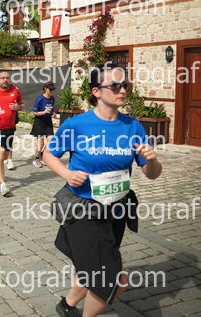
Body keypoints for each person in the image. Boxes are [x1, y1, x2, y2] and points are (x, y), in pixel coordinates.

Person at [44, 65, 162, 317]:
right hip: (83, 210)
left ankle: (66, 306)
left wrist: (152, 160)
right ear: (96, 91)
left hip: (117, 209)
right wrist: (67, 174)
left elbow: (152, 174)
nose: (123, 90)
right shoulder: (77, 125)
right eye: (115, 86)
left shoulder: (133, 126)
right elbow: (48, 154)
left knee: (93, 266)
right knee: (113, 280)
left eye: (125, 85)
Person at [31, 82, 56, 167]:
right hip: (39, 121)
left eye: (53, 90)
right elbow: (35, 113)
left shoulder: (52, 98)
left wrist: (53, 114)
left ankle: (44, 156)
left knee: (50, 141)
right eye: (50, 90)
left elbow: (51, 110)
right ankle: (37, 159)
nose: (51, 91)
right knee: (41, 142)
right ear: (45, 89)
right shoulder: (40, 99)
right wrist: (44, 112)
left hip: (48, 121)